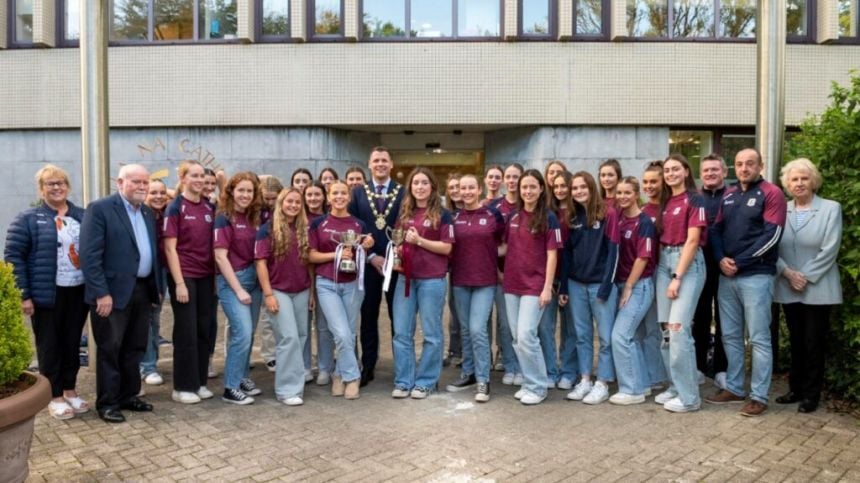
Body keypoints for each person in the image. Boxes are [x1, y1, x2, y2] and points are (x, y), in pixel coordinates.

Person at [5, 165, 90, 420]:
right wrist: (24, 295)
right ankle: (54, 397)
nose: (56, 188)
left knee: (72, 343)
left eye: (61, 183)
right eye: (50, 184)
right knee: (49, 345)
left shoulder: (82, 216)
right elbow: (14, 257)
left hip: (77, 290)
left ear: (68, 187)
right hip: (46, 294)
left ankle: (70, 390)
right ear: (42, 189)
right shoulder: (28, 219)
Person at [79, 164, 162, 423]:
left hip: (141, 289)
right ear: (120, 182)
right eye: (136, 181)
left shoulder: (147, 212)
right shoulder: (100, 209)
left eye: (145, 182)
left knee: (135, 347)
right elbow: (89, 256)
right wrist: (101, 293)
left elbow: (150, 253)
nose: (142, 186)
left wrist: (156, 289)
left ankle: (128, 395)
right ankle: (107, 403)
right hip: (111, 294)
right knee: (110, 349)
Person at [707, 148, 787, 417]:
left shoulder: (771, 193)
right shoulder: (729, 195)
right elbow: (715, 231)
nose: (744, 168)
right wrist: (720, 259)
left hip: (756, 276)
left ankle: (759, 396)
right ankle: (734, 387)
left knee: (759, 338)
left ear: (760, 165)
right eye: (740, 164)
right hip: (727, 276)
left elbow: (772, 236)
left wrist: (738, 262)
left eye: (750, 164)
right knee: (729, 335)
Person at [774, 158, 842, 414]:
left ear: (813, 181)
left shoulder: (830, 208)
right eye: (794, 179)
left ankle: (811, 395)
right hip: (789, 285)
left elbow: (830, 248)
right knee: (796, 340)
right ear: (787, 184)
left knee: (814, 342)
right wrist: (788, 273)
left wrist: (805, 276)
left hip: (818, 286)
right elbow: (772, 245)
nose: (799, 183)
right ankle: (795, 389)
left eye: (804, 178)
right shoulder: (782, 209)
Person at [390, 168, 455, 399]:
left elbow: (447, 247)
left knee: (431, 334)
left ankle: (426, 381)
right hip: (405, 279)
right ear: (410, 187)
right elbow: (399, 240)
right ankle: (404, 381)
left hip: (431, 280)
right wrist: (398, 250)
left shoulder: (443, 214)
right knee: (401, 333)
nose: (419, 187)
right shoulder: (404, 212)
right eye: (415, 183)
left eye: (424, 183)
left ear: (432, 187)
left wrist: (420, 240)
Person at [311, 180, 375, 399]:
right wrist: (336, 255)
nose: (339, 197)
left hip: (353, 284)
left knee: (349, 332)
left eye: (343, 193)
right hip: (327, 283)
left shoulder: (359, 225)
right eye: (334, 193)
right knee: (340, 332)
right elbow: (311, 255)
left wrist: (365, 247)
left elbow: (363, 255)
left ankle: (339, 374)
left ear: (349, 197)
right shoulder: (318, 223)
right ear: (328, 197)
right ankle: (353, 375)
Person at [503, 169, 563, 405]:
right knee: (517, 338)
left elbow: (552, 255)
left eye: (532, 187)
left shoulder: (549, 218)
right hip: (512, 284)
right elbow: (507, 249)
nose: (527, 191)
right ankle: (529, 382)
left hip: (535, 284)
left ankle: (539, 386)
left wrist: (547, 287)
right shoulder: (514, 216)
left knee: (527, 335)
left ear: (540, 189)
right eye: (524, 187)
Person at [560, 171, 619, 405]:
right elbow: (566, 255)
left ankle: (603, 382)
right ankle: (585, 379)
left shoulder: (608, 214)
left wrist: (606, 286)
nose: (578, 192)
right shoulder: (571, 217)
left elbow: (614, 252)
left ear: (591, 187)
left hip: (599, 286)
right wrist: (564, 286)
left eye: (582, 187)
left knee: (605, 337)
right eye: (574, 188)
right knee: (582, 336)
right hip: (576, 285)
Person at [347, 146, 405, 386]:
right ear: (369, 165)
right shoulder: (358, 193)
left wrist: (393, 257)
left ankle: (401, 366)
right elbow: (352, 227)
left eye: (384, 160)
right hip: (367, 265)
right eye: (376, 161)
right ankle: (368, 364)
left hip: (396, 265)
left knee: (398, 317)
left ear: (391, 164)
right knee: (368, 316)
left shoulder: (403, 192)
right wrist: (371, 257)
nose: (380, 164)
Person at [655, 154, 707, 413]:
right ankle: (676, 387)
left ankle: (690, 398)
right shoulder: (666, 201)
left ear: (686, 171)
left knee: (678, 330)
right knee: (666, 332)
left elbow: (693, 240)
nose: (671, 173)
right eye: (667, 170)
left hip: (686, 264)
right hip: (663, 261)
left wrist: (677, 277)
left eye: (676, 169)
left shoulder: (695, 199)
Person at [446, 174, 505, 402]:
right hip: (460, 281)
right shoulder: (454, 217)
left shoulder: (493, 214)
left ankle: (483, 380)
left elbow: (504, 244)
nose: (467, 191)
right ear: (458, 191)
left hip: (485, 281)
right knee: (465, 329)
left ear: (479, 189)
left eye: (471, 187)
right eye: (463, 188)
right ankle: (468, 373)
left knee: (477, 329)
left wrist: (490, 259)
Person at [163, 160, 217, 405]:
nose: (199, 180)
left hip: (206, 277)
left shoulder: (208, 207)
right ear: (183, 178)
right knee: (186, 331)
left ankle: (200, 382)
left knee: (204, 329)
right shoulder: (175, 207)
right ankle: (183, 386)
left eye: (201, 176)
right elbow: (170, 249)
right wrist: (179, 283)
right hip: (185, 277)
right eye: (193, 175)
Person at [256, 188, 314, 406]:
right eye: (289, 201)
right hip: (278, 290)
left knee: (301, 337)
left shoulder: (304, 229)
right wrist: (268, 294)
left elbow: (308, 262)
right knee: (288, 337)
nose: (293, 205)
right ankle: (286, 390)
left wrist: (312, 292)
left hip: (301, 289)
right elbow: (260, 263)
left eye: (297, 202)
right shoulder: (267, 230)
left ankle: (296, 385)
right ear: (281, 203)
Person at [214, 172, 264, 405]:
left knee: (248, 333)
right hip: (233, 282)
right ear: (231, 192)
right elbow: (221, 257)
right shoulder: (224, 218)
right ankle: (230, 388)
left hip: (254, 281)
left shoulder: (253, 217)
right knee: (242, 333)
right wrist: (239, 290)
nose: (245, 195)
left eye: (250, 191)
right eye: (241, 190)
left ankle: (242, 377)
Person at [609, 177, 658, 405]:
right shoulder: (617, 219)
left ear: (636, 193)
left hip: (638, 286)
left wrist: (629, 286)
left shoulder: (644, 222)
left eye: (627, 192)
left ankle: (631, 390)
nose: (622, 197)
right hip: (619, 284)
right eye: (619, 193)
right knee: (633, 337)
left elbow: (643, 257)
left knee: (620, 335)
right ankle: (643, 385)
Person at [694, 155, 729, 389]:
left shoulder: (733, 196)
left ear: (724, 172)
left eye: (715, 169)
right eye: (706, 170)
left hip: (727, 268)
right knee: (700, 318)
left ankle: (721, 368)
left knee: (726, 320)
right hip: (699, 268)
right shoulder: (695, 198)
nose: (710, 173)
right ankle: (698, 366)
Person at [487, 163, 524, 384]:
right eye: (508, 177)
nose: (511, 181)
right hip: (498, 274)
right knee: (504, 324)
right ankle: (510, 365)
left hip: (521, 274)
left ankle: (521, 366)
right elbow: (489, 242)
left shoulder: (528, 204)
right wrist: (498, 271)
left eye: (515, 177)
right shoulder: (493, 206)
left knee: (518, 325)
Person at [639, 162, 669, 391]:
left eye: (653, 181)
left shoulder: (669, 208)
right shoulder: (642, 212)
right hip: (646, 275)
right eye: (646, 182)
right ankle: (650, 373)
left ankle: (662, 375)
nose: (649, 186)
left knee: (662, 327)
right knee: (648, 327)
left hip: (666, 274)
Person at [543, 169, 573, 388]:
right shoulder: (547, 213)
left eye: (565, 186)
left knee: (570, 328)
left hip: (571, 277)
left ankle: (569, 371)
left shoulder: (578, 213)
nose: (561, 190)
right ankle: (551, 370)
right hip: (549, 277)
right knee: (545, 327)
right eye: (557, 186)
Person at [140, 179, 169, 387]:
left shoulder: (166, 213)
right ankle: (147, 366)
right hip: (146, 271)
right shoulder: (141, 214)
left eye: (162, 193)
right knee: (146, 319)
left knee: (155, 318)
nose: (158, 197)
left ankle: (151, 363)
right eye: (153, 193)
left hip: (163, 270)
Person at [304, 181, 334, 385]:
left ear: (324, 196)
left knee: (324, 327)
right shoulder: (298, 218)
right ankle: (305, 367)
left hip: (323, 277)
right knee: (303, 328)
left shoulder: (328, 220)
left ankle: (325, 367)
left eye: (317, 194)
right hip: (300, 278)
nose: (313, 198)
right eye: (309, 195)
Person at [257, 176, 283, 372]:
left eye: (274, 198)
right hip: (254, 263)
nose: (270, 202)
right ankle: (268, 353)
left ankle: (274, 353)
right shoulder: (255, 211)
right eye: (267, 198)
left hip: (276, 267)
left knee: (271, 312)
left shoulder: (283, 212)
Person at [443, 173, 464, 367]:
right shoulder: (445, 213)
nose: (456, 191)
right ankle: (454, 351)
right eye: (452, 188)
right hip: (451, 268)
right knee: (454, 311)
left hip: (471, 267)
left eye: (459, 186)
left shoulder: (475, 210)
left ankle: (468, 352)